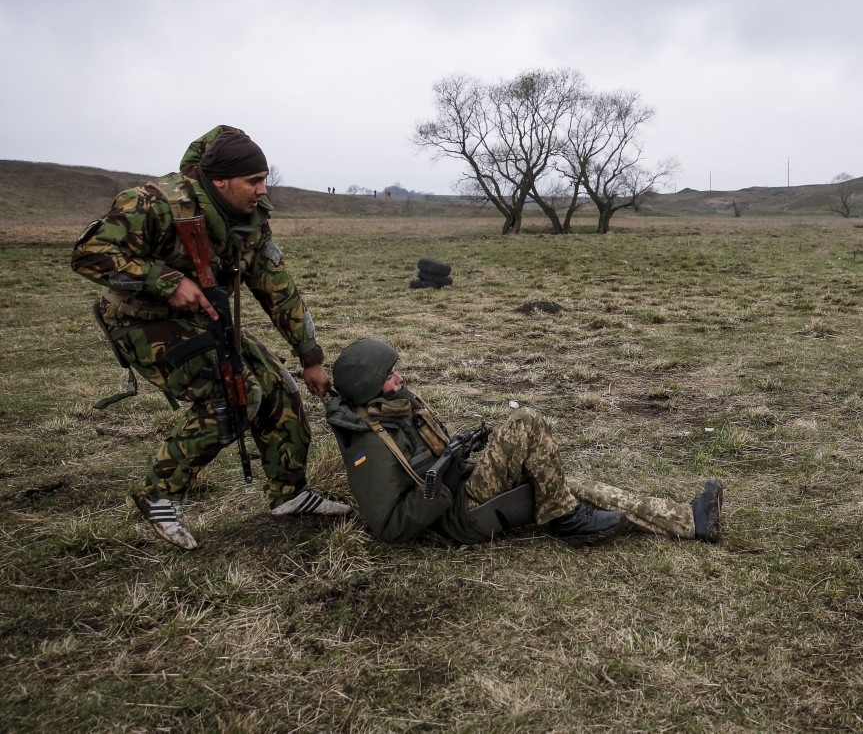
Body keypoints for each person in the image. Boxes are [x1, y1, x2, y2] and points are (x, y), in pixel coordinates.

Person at [72, 125, 350, 550]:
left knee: (278, 388)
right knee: (231, 397)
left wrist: (310, 356)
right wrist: (164, 280)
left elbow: (277, 287)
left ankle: (290, 495)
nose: (262, 190)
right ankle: (159, 495)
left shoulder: (250, 222)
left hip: (206, 318)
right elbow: (88, 253)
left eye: (264, 179)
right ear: (220, 181)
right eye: (253, 182)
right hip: (140, 320)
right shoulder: (154, 203)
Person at [325, 338, 724, 546]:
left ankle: (689, 521)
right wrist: (441, 485)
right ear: (368, 385)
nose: (401, 380)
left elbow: (432, 458)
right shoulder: (369, 446)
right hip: (457, 517)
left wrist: (457, 455)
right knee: (526, 422)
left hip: (462, 488)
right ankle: (566, 520)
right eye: (392, 375)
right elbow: (389, 527)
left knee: (569, 488)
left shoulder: (396, 409)